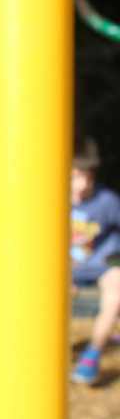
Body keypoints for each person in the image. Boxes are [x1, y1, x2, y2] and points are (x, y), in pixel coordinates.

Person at [70, 137, 120, 385]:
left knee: (116, 290)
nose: (81, 185)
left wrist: (114, 264)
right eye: (74, 177)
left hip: (103, 260)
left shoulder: (107, 201)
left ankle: (92, 354)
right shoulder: (48, 199)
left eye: (86, 178)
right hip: (67, 266)